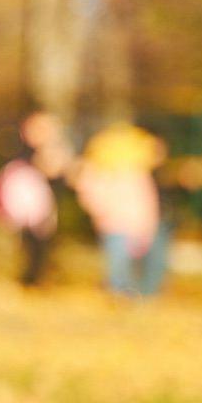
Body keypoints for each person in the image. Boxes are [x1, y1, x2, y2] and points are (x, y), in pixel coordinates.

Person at [75, 121, 168, 297]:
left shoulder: (138, 174)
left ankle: (132, 294)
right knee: (119, 263)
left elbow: (145, 204)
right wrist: (102, 212)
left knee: (127, 263)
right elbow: (92, 193)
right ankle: (120, 294)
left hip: (134, 224)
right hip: (117, 223)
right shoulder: (107, 170)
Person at [0, 113, 61, 287]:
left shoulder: (48, 153)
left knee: (39, 247)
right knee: (30, 247)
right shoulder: (21, 155)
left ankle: (35, 278)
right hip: (27, 210)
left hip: (39, 210)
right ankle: (31, 279)